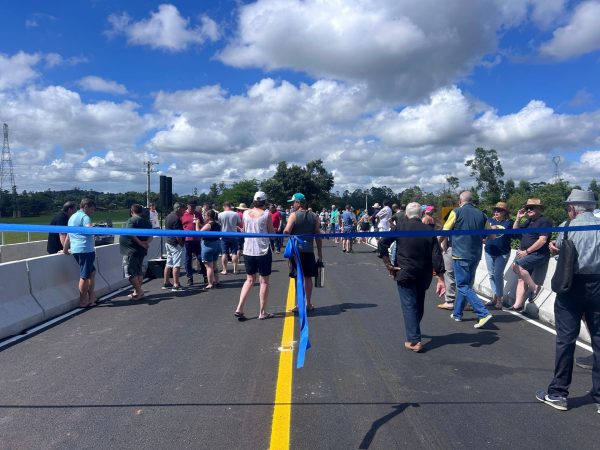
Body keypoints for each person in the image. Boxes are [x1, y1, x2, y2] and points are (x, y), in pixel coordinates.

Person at [536, 189, 600, 414]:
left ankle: (558, 393)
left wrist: (555, 247)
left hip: (572, 286)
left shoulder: (567, 226)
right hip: (598, 286)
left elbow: (562, 249)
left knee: (566, 340)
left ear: (573, 209)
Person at [378, 202, 446, 352]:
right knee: (418, 303)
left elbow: (382, 243)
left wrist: (388, 264)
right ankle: (413, 330)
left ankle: (414, 340)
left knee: (409, 305)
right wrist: (441, 278)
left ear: (407, 215)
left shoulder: (400, 227)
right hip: (424, 274)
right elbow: (436, 255)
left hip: (405, 272)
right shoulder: (429, 230)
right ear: (421, 214)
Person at [439, 191, 493, 328]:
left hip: (460, 254)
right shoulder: (482, 214)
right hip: (475, 255)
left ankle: (483, 313)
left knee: (463, 285)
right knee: (466, 284)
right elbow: (491, 236)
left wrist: (437, 244)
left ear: (460, 201)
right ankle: (457, 313)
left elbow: (445, 232)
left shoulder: (455, 212)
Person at [234, 191, 275, 321]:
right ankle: (262, 312)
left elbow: (244, 231)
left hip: (248, 251)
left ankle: (239, 308)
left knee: (249, 280)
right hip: (262, 250)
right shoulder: (267, 214)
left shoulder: (246, 213)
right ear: (264, 202)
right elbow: (272, 234)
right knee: (264, 281)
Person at [284, 192, 323, 313]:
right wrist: (320, 253)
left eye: (293, 203)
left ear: (298, 203)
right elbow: (318, 236)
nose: (292, 205)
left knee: (297, 278)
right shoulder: (314, 216)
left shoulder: (293, 216)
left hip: (296, 252)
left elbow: (287, 231)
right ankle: (308, 303)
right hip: (309, 251)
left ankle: (298, 304)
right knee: (308, 278)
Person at [510, 198, 552, 311]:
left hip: (538, 254)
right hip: (527, 255)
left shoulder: (544, 221)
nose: (529, 210)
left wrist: (527, 251)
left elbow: (542, 240)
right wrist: (518, 219)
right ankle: (517, 305)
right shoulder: (528, 221)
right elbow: (515, 233)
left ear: (539, 208)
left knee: (517, 266)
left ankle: (535, 288)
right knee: (521, 278)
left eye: (532, 207)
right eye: (527, 208)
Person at [63, 198, 97, 308]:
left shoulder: (72, 217)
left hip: (76, 249)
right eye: (91, 209)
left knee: (92, 272)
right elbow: (89, 229)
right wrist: (96, 229)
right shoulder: (85, 217)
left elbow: (68, 236)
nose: (92, 212)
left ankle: (91, 297)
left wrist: (65, 249)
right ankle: (83, 301)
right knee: (85, 276)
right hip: (86, 249)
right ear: (86, 206)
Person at [484, 201, 514, 309]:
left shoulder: (509, 223)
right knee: (491, 275)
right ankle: (495, 297)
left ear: (505, 212)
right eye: (495, 210)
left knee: (498, 275)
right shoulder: (489, 221)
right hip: (489, 251)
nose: (496, 212)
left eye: (499, 210)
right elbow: (484, 234)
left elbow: (514, 235)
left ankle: (499, 299)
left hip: (502, 253)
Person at [119, 204, 153, 299]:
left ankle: (139, 291)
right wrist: (146, 243)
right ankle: (137, 292)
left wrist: (140, 243)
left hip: (131, 250)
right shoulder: (147, 222)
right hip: (141, 250)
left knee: (130, 272)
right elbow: (152, 234)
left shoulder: (132, 220)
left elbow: (130, 233)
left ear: (132, 211)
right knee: (138, 271)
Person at [163, 202, 186, 291]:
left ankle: (166, 282)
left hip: (168, 242)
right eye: (183, 209)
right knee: (176, 264)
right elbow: (178, 234)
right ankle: (176, 284)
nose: (184, 211)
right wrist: (181, 244)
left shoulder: (168, 216)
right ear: (179, 208)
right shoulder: (177, 219)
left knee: (169, 263)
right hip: (176, 244)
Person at [181, 200, 204, 286]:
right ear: (188, 206)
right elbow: (180, 227)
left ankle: (205, 275)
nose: (193, 208)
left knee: (201, 258)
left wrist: (198, 223)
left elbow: (203, 225)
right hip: (187, 240)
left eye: (194, 207)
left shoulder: (198, 214)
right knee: (188, 259)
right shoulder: (183, 214)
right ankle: (189, 277)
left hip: (197, 240)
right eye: (191, 207)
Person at [197, 209, 221, 288]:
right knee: (214, 265)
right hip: (216, 245)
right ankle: (217, 281)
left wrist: (197, 224)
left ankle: (210, 283)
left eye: (205, 215)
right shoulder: (218, 225)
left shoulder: (208, 225)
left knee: (209, 266)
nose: (204, 217)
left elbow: (198, 234)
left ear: (209, 216)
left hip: (208, 246)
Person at [218, 202, 242, 275]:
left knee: (224, 253)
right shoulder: (235, 214)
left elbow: (219, 224)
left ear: (224, 206)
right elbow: (239, 223)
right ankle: (235, 269)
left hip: (224, 235)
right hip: (233, 235)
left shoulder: (220, 214)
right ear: (230, 206)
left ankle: (225, 270)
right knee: (234, 252)